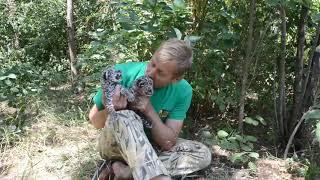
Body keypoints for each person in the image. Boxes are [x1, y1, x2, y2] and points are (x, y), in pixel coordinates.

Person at [89, 39, 211, 180]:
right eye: (152, 64)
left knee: (201, 153)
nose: (151, 73)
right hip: (115, 147)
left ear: (176, 79)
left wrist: (149, 110)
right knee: (127, 116)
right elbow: (95, 121)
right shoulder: (122, 73)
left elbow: (168, 142)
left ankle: (127, 172)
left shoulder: (183, 91)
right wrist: (111, 108)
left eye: (160, 73)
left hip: (151, 147)